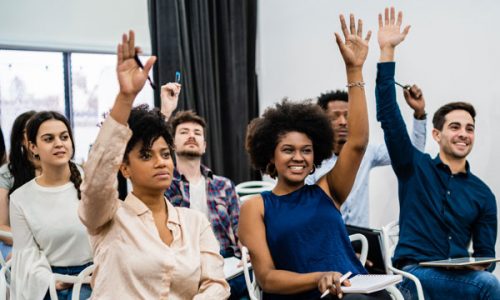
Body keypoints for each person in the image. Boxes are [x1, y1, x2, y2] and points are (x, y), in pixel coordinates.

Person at [239, 14, 391, 300]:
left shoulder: (326, 190)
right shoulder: (255, 207)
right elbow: (268, 278)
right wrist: (319, 278)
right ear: (270, 156)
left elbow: (357, 143)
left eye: (306, 150)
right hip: (305, 295)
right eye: (288, 150)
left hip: (354, 290)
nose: (299, 157)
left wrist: (354, 70)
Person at [78, 30, 230, 299]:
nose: (161, 162)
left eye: (165, 153)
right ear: (124, 167)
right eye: (146, 156)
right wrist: (125, 98)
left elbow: (216, 284)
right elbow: (96, 180)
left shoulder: (194, 223)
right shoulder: (107, 217)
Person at [375, 7, 499, 299]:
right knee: (489, 288)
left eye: (469, 129)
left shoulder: (483, 194)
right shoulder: (413, 167)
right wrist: (387, 52)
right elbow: (389, 117)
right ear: (437, 134)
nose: (463, 134)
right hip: (413, 274)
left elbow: (485, 257)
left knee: (486, 282)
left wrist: (472, 266)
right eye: (455, 127)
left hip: (457, 279)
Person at [160, 87, 244, 298]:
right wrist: (165, 112)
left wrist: (247, 251)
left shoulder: (224, 185)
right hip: (184, 264)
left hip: (227, 261)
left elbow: (240, 228)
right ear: (172, 143)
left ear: (204, 146)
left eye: (197, 133)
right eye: (184, 132)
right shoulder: (163, 185)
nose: (191, 136)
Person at [305, 87, 426, 227]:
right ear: (322, 122)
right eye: (335, 117)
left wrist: (419, 113)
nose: (343, 122)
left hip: (362, 239)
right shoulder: (312, 159)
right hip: (326, 236)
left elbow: (410, 153)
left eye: (348, 115)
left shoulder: (366, 152)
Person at [9, 111, 92, 300]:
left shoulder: (90, 182)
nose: (59, 144)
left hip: (97, 277)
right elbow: (26, 255)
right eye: (48, 139)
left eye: (64, 137)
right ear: (33, 147)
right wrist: (52, 282)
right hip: (53, 283)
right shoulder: (20, 199)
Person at [0, 111, 41, 260]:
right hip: (15, 242)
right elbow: (1, 226)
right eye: (30, 130)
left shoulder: (64, 170)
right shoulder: (7, 173)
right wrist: (35, 242)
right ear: (21, 140)